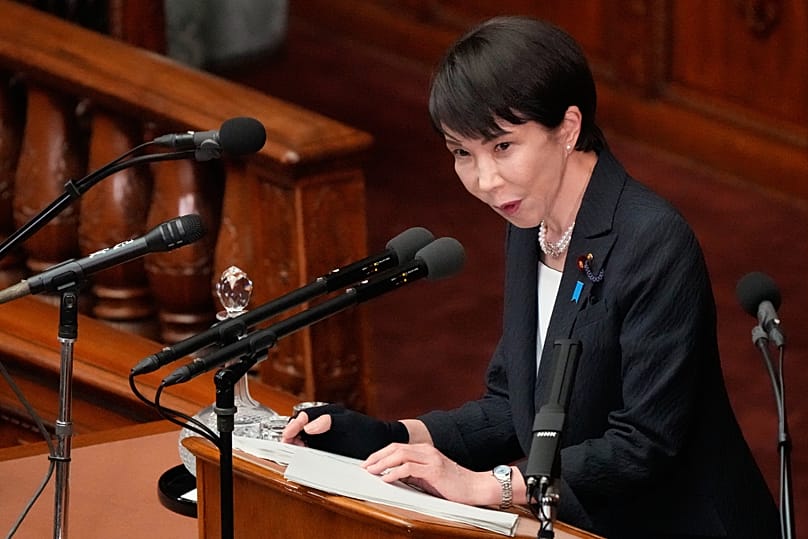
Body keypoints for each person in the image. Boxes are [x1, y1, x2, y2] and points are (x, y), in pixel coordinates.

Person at [282, 15, 780, 539]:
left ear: (567, 128)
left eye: (502, 147)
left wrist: (492, 486)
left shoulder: (652, 240)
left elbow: (644, 442)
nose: (485, 180)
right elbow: (514, 408)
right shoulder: (531, 223)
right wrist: (389, 436)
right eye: (462, 154)